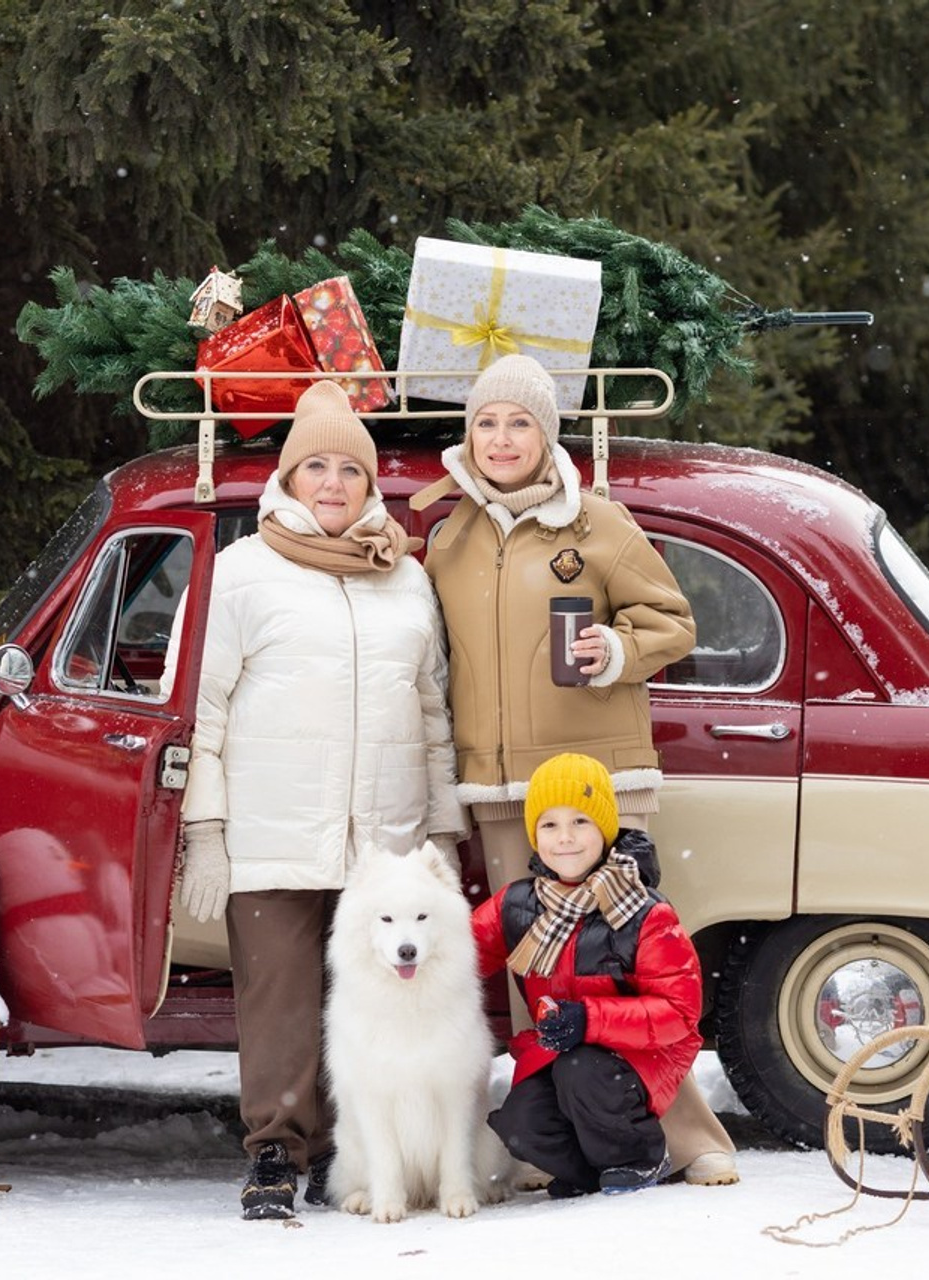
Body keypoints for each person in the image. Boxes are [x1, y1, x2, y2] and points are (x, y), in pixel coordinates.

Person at [418, 352, 739, 1186]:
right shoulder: (449, 538)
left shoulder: (596, 524)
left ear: (547, 434)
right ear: (468, 434)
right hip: (500, 793)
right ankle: (555, 1138)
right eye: (486, 422)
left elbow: (673, 621)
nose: (500, 438)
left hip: (597, 786)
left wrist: (616, 649)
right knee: (539, 977)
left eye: (519, 421)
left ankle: (693, 1140)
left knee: (625, 966)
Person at [174, 379, 467, 1220]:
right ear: (289, 478)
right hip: (273, 830)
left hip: (387, 842)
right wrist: (208, 826)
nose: (334, 484)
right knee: (281, 998)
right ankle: (275, 1152)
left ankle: (360, 1155)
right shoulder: (238, 573)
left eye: (350, 469)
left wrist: (437, 835)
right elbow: (206, 706)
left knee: (381, 1005)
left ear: (372, 485)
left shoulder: (404, 580)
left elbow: (431, 709)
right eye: (317, 468)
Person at [473, 753, 703, 1197]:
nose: (565, 839)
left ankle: (638, 1159)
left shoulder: (644, 911)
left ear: (604, 828)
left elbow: (679, 1012)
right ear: (534, 835)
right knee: (520, 1123)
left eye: (580, 822)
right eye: (549, 825)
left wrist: (590, 1020)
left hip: (642, 1055)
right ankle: (588, 1173)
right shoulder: (519, 903)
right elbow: (461, 952)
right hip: (563, 1051)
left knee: (584, 1071)